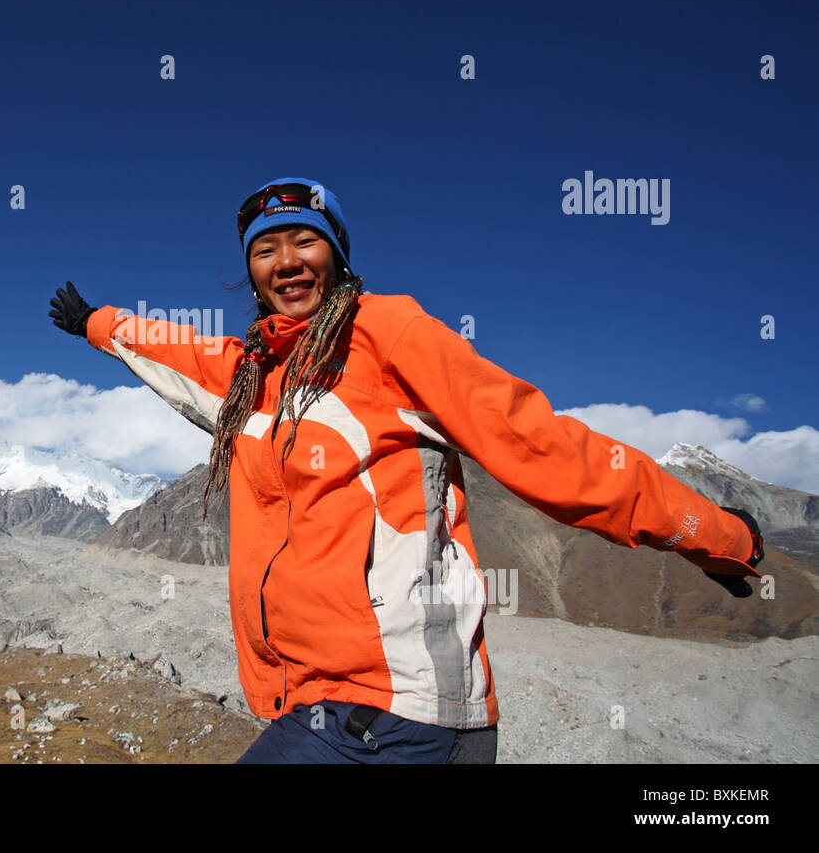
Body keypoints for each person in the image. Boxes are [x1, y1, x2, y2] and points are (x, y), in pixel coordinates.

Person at [49, 177, 765, 764]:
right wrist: (98, 323)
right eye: (266, 249)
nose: (287, 260)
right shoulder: (253, 381)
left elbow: (540, 444)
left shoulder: (388, 335)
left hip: (393, 711)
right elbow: (182, 356)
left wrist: (719, 536)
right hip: (327, 709)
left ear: (338, 256)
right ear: (252, 273)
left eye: (305, 240)